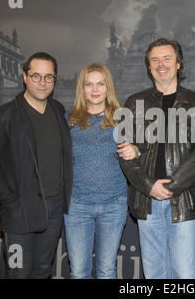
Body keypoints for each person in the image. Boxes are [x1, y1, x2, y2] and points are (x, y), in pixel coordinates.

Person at [119, 38, 195, 279]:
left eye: (167, 58)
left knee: (184, 274)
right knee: (154, 275)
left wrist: (172, 185)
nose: (161, 64)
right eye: (155, 60)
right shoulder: (133, 103)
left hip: (183, 201)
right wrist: (150, 186)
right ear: (149, 67)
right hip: (147, 202)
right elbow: (126, 155)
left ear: (178, 64)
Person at [0, 52, 73, 278]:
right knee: (19, 272)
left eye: (48, 77)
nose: (42, 82)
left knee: (42, 271)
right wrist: (10, 201)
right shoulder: (4, 116)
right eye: (36, 76)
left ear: (55, 80)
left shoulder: (58, 111)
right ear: (25, 77)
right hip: (19, 216)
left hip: (54, 212)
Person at [63, 62, 137, 279]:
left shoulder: (123, 120)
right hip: (77, 206)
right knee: (78, 272)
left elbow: (144, 156)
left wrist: (136, 150)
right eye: (89, 84)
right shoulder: (68, 122)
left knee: (106, 271)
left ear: (108, 88)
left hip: (113, 205)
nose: (95, 90)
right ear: (82, 89)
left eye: (100, 84)